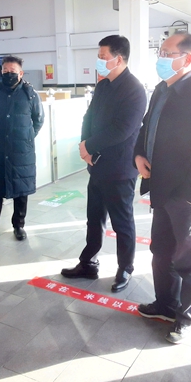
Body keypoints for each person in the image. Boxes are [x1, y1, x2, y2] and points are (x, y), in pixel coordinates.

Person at [134, 33, 191, 344]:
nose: (161, 58)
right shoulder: (161, 89)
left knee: (189, 259)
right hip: (161, 188)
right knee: (161, 251)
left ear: (188, 58)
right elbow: (146, 128)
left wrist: (189, 196)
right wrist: (138, 154)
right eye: (161, 51)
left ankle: (188, 316)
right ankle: (166, 304)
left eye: (168, 53)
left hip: (186, 195)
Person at [60, 35, 146, 292]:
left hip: (119, 168)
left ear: (118, 59)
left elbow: (122, 129)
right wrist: (84, 144)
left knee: (122, 222)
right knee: (94, 218)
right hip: (96, 164)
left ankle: (125, 268)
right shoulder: (103, 85)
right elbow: (89, 116)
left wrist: (90, 146)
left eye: (102, 57)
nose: (98, 61)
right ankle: (88, 263)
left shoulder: (134, 89)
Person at [0, 55, 44, 248]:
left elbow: (38, 119)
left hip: (22, 150)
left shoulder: (30, 93)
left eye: (12, 71)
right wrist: (0, 133)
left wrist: (26, 136)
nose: (8, 74)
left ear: (21, 73)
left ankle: (19, 226)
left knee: (21, 190)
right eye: (5, 71)